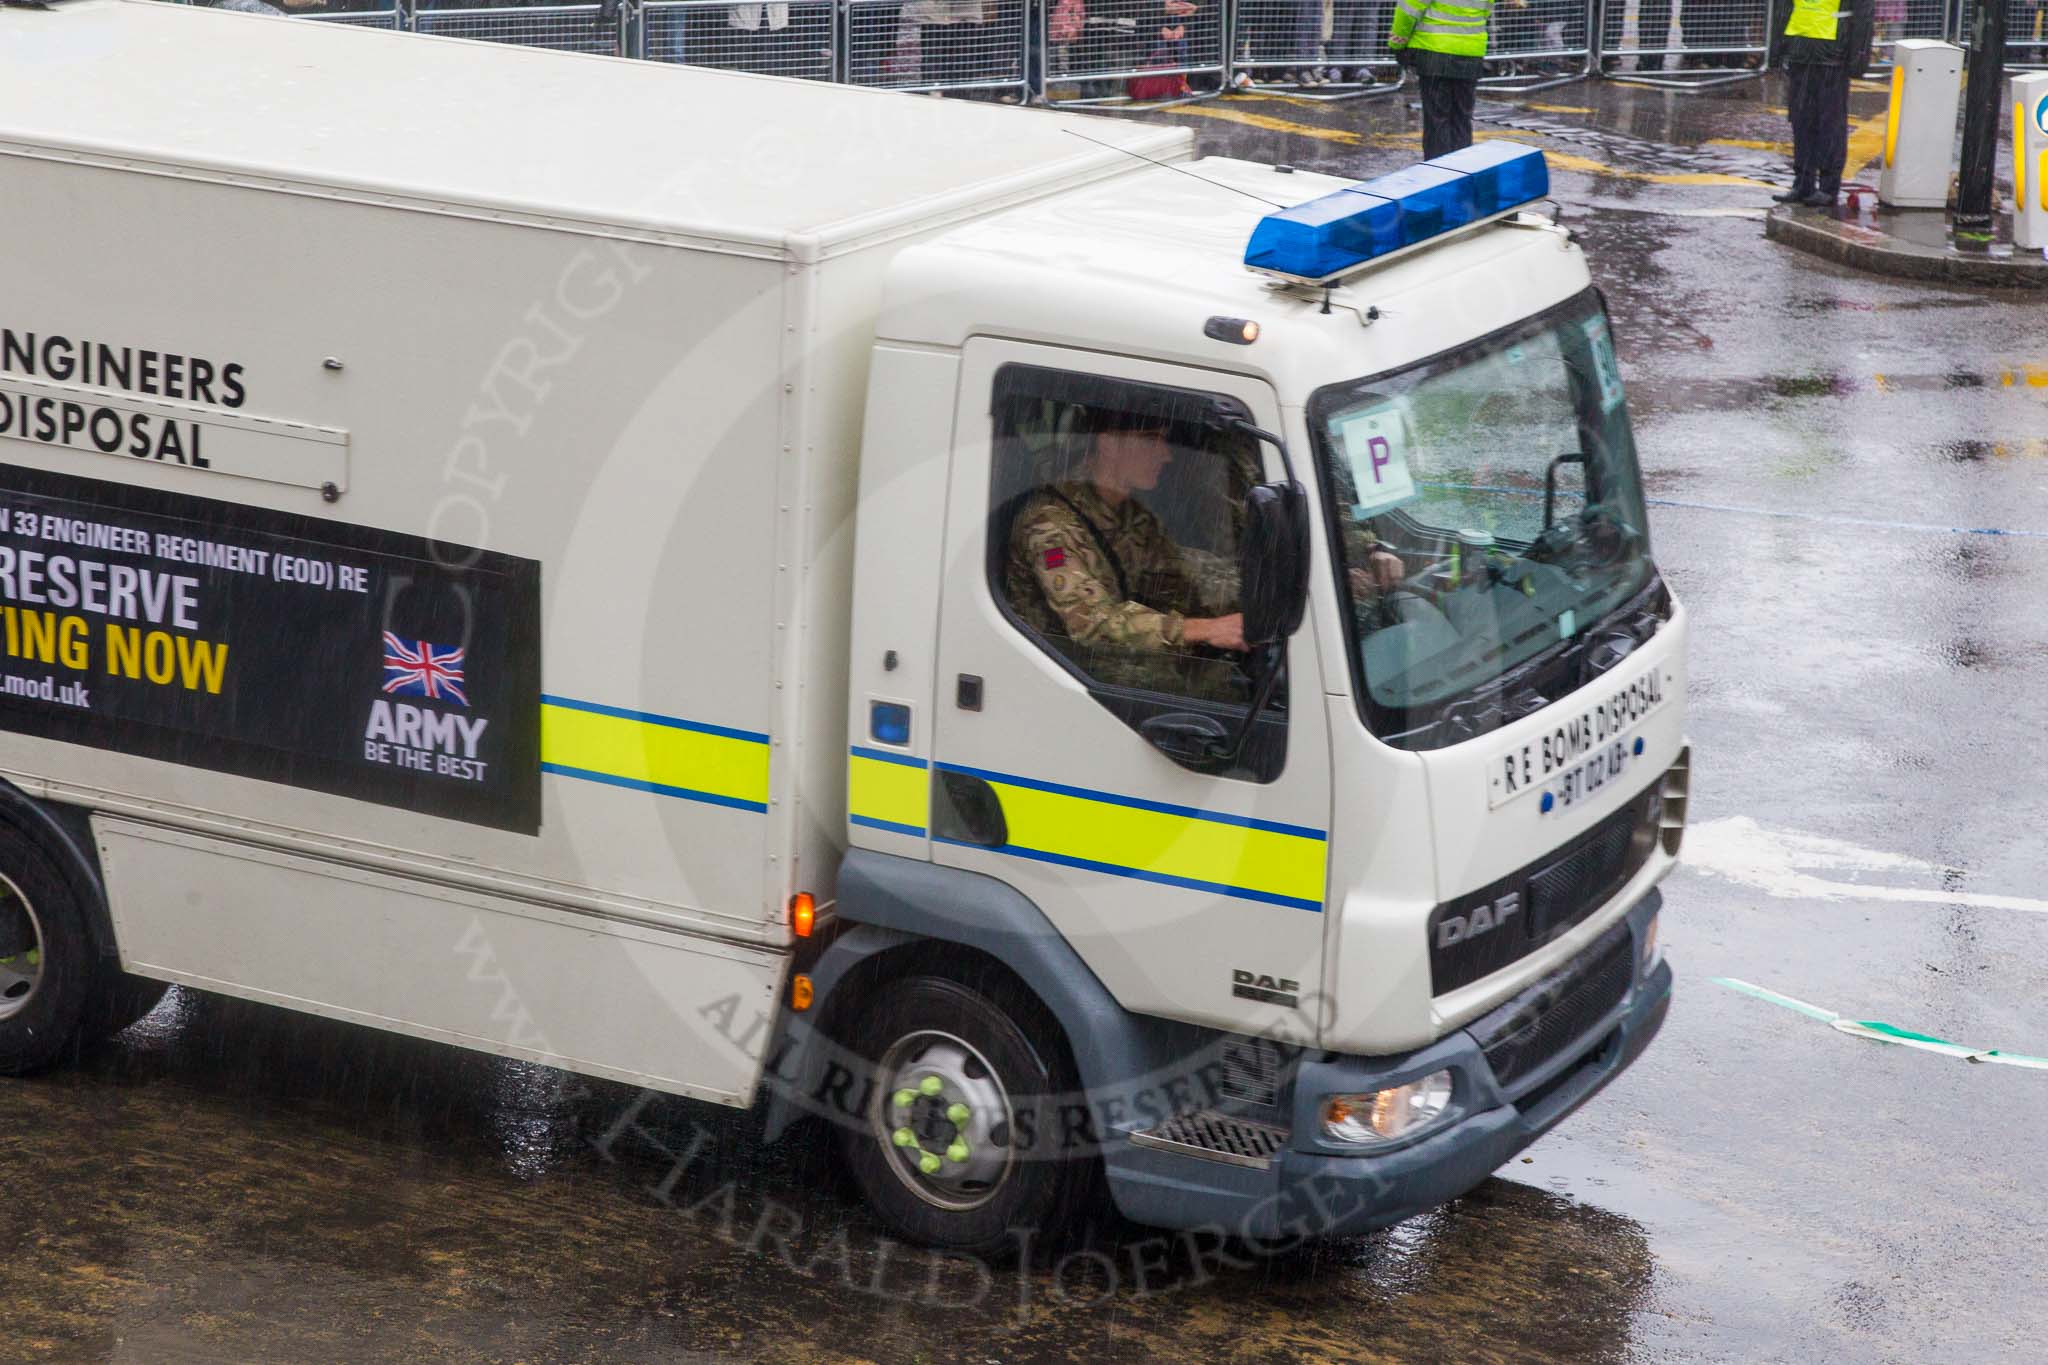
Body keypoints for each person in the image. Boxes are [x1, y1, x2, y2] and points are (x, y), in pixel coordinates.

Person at [1005, 411, 1246, 695]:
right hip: (1055, 678)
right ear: (1108, 444)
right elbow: (1093, 625)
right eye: (1149, 440)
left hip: (1096, 670)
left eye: (1164, 440)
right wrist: (1206, 630)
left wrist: (1247, 605)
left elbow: (1181, 581)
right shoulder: (1049, 528)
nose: (1165, 455)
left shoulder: (1132, 515)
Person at [1771, 0, 1874, 208]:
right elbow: (1783, 7)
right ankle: (1803, 183)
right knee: (1801, 121)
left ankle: (1828, 187)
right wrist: (1777, 48)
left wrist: (1859, 56)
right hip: (1801, 51)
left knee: (1830, 124)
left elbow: (1863, 13)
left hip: (1833, 54)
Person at [1388, 0, 1493, 159]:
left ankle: (1438, 174)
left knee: (1437, 120)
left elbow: (1408, 11)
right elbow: (1486, 10)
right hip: (1471, 51)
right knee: (1462, 119)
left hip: (1434, 51)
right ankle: (1461, 172)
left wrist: (1397, 44)